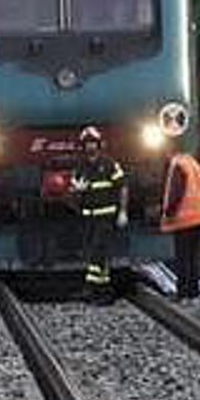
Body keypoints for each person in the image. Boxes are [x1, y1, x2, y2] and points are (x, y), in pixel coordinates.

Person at [71, 126, 129, 305]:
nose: (90, 147)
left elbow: (123, 187)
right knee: (95, 254)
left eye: (93, 143)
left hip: (106, 217)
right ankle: (102, 291)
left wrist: (123, 212)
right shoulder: (80, 167)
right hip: (88, 218)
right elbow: (73, 190)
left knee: (98, 253)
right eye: (87, 144)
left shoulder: (109, 164)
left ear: (99, 145)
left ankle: (92, 288)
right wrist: (76, 192)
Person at [161, 150, 200, 300]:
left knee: (182, 257)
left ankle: (183, 291)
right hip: (198, 217)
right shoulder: (192, 162)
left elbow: (176, 191)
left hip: (184, 219)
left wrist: (168, 212)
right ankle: (193, 290)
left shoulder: (177, 165)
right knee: (193, 256)